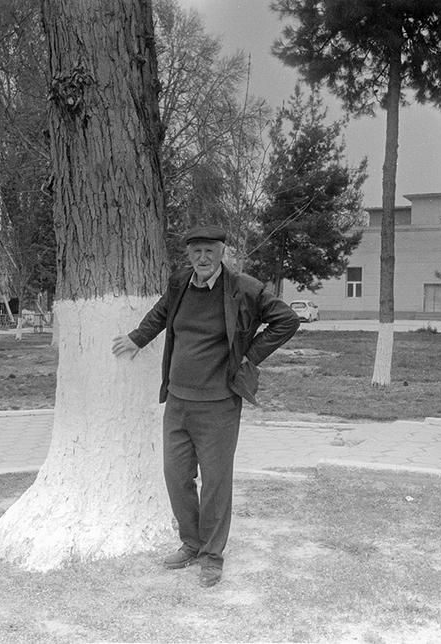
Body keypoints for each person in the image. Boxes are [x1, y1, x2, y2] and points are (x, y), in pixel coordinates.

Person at [112, 225, 300, 588]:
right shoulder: (180, 283)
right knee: (176, 475)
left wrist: (250, 355)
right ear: (189, 254)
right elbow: (161, 314)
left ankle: (212, 556)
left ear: (221, 253)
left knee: (215, 482)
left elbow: (286, 321)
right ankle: (191, 543)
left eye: (209, 251)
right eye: (196, 251)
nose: (202, 258)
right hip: (178, 401)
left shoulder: (244, 288)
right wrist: (137, 338)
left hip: (218, 404)